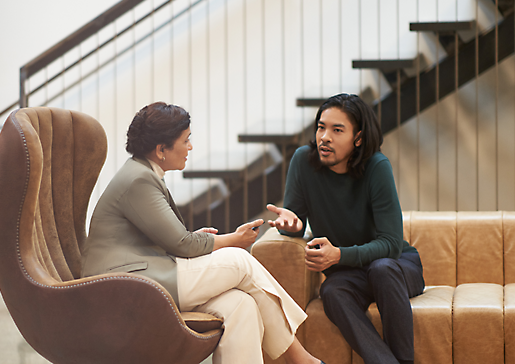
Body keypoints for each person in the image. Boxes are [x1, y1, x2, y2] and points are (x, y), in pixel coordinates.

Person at [81, 102, 324, 364]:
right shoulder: (139, 180)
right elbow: (182, 244)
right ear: (161, 149)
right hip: (127, 286)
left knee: (241, 306)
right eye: (185, 140)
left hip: (149, 274)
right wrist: (234, 240)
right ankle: (302, 359)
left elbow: (170, 239)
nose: (190, 147)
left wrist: (204, 240)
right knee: (240, 260)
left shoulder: (142, 174)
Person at [267, 94, 425, 364]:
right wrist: (291, 226)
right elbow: (296, 221)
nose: (324, 137)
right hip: (351, 276)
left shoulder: (377, 166)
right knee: (332, 292)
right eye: (321, 127)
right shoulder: (303, 162)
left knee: (382, 269)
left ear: (359, 138)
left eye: (337, 130)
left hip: (397, 268)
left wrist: (339, 255)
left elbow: (391, 244)